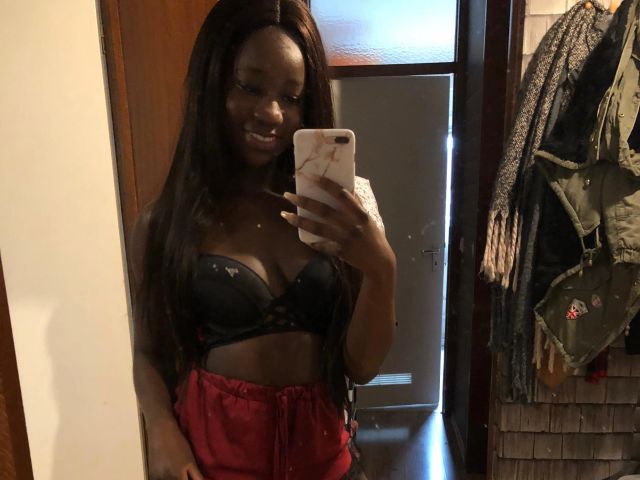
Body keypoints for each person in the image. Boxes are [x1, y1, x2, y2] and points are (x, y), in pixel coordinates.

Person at [130, 1, 396, 478]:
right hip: (215, 467)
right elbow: (149, 352)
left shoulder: (341, 212)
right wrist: (162, 431)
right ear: (213, 82)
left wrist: (382, 270)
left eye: (291, 97)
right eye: (250, 87)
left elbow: (362, 367)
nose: (272, 113)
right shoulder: (166, 222)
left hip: (325, 464)